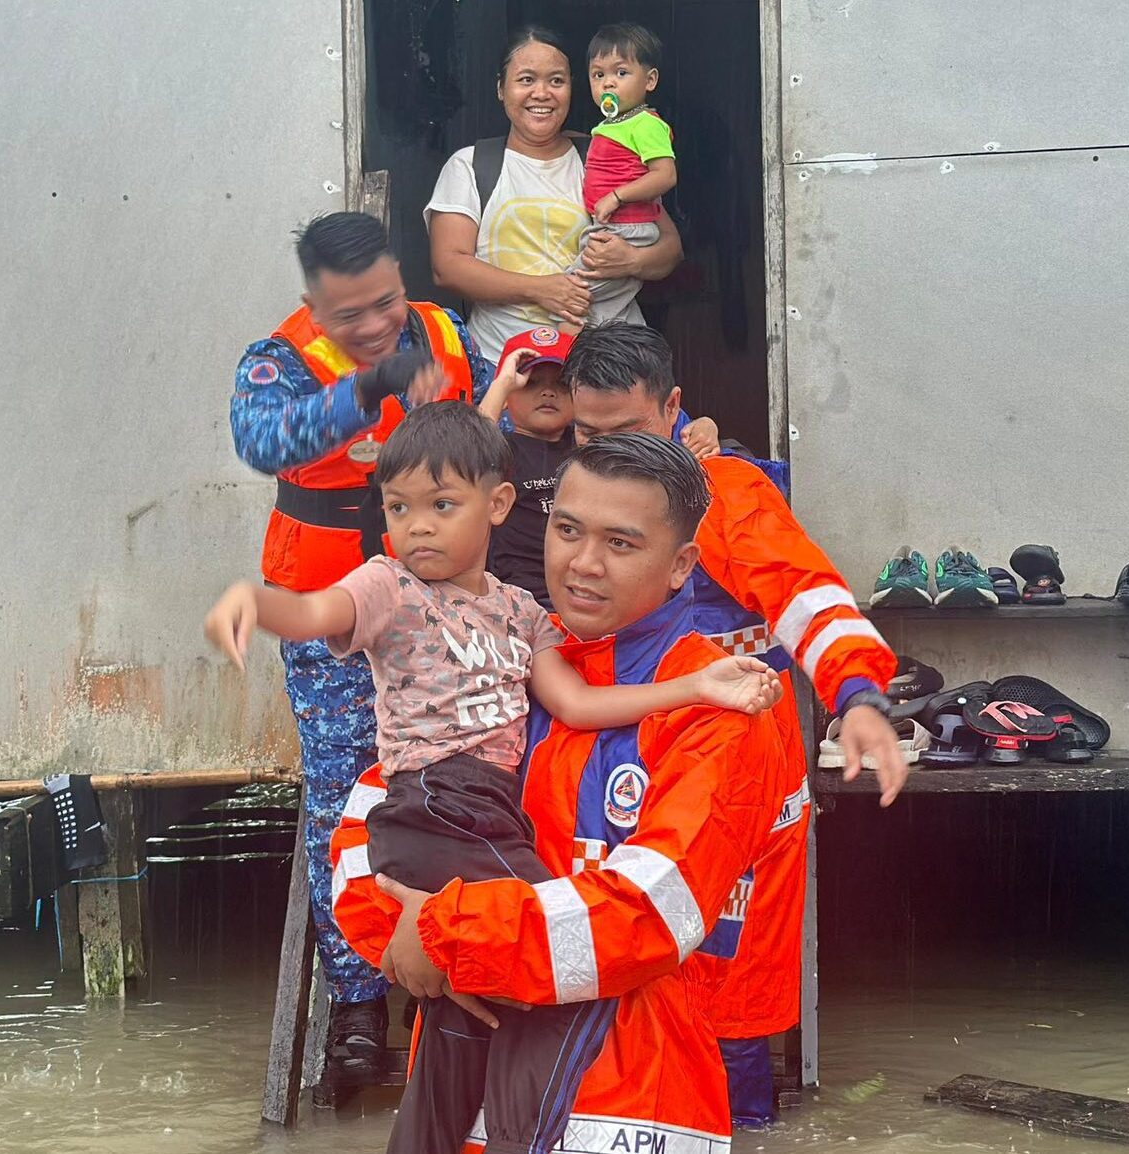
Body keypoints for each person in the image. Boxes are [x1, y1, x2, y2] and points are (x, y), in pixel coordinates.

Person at [207, 404, 779, 1154]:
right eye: (568, 531)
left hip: (626, 1108)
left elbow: (647, 916)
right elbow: (364, 832)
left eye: (620, 543)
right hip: (471, 1098)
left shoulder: (721, 705)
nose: (582, 563)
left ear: (681, 565)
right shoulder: (506, 667)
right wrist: (402, 936)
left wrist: (438, 931)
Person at [562, 323, 906, 1128]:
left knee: (731, 982)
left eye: (630, 434)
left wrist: (858, 695)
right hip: (615, 755)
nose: (611, 457)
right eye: (588, 435)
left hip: (735, 769)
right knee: (611, 961)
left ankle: (744, 1125)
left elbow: (806, 593)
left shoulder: (727, 494)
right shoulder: (563, 492)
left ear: (675, 411)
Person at [228, 210, 493, 1081]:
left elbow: (503, 423)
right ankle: (353, 1005)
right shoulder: (277, 361)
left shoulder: (447, 334)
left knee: (467, 776)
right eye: (352, 317)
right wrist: (370, 384)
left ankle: (458, 974)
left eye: (386, 302)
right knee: (345, 794)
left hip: (443, 605)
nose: (378, 324)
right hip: (331, 612)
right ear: (315, 305)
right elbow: (264, 442)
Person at [427, 26, 687, 355]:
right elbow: (447, 266)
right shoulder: (470, 165)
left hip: (612, 368)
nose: (542, 93)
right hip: (507, 367)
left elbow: (670, 248)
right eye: (526, 80)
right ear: (501, 89)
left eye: (556, 81)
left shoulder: (604, 153)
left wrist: (632, 261)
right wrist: (542, 290)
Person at [480, 326, 720, 607]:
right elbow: (466, 457)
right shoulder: (503, 453)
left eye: (626, 432)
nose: (609, 451)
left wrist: (707, 428)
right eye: (591, 433)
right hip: (532, 610)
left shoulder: (705, 468)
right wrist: (501, 386)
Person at [572, 22, 678, 327]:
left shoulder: (646, 123)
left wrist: (617, 196)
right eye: (598, 75)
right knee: (598, 308)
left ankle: (558, 365)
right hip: (612, 228)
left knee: (571, 297)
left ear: (650, 80)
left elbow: (665, 175)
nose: (608, 83)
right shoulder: (612, 125)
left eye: (621, 73)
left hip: (628, 229)